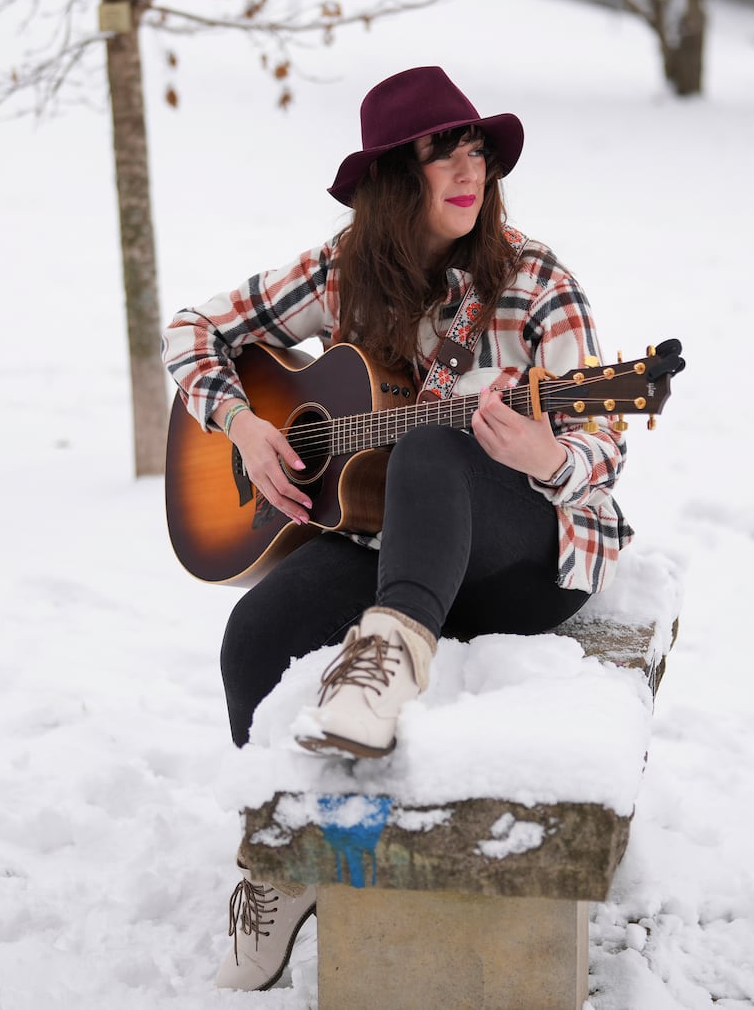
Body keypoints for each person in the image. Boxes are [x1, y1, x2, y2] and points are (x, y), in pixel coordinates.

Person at [161, 65, 632, 992]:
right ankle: (280, 863)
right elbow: (192, 329)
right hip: (389, 545)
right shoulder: (345, 271)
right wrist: (246, 426)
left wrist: (544, 454)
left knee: (431, 450)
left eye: (478, 152)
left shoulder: (538, 281)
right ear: (387, 181)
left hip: (521, 556)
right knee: (252, 637)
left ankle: (391, 660)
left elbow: (602, 452)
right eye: (440, 154)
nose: (469, 170)